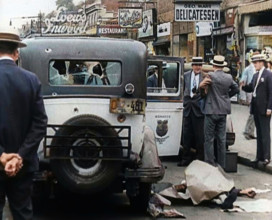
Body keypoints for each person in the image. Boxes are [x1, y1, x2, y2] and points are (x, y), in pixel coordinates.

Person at [0, 27, 47, 220]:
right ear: (16, 52)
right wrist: (20, 156)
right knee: (22, 212)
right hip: (24, 165)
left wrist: (2, 155)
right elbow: (40, 123)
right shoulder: (31, 80)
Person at [199, 55, 239, 169]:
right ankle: (222, 165)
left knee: (209, 139)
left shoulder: (210, 76)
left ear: (213, 65)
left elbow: (202, 88)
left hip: (211, 110)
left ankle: (210, 164)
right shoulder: (229, 77)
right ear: (223, 66)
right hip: (223, 110)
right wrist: (226, 97)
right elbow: (236, 89)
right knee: (222, 139)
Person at [242, 54, 272, 166]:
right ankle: (259, 156)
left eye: (256, 63)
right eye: (254, 63)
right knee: (259, 133)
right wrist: (243, 86)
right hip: (256, 108)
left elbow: (271, 93)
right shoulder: (255, 75)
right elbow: (251, 87)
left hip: (264, 108)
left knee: (265, 133)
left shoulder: (268, 75)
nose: (254, 65)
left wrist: (270, 107)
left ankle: (266, 157)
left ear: (261, 62)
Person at [178, 57, 205, 166]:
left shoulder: (205, 77)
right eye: (196, 65)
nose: (198, 67)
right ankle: (185, 158)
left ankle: (199, 159)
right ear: (192, 66)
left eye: (200, 65)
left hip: (199, 110)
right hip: (188, 108)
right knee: (186, 135)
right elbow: (183, 89)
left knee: (200, 136)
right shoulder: (186, 76)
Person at [239, 52, 259, 140]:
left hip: (258, 94)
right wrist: (243, 97)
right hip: (251, 94)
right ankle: (248, 131)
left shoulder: (260, 69)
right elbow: (243, 81)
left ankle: (250, 131)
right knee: (253, 114)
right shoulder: (248, 69)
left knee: (254, 114)